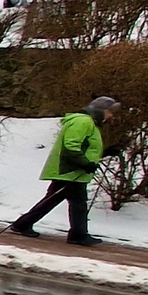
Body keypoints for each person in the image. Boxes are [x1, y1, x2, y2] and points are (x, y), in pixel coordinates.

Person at [9, 95, 118, 245]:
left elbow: (85, 148)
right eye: (109, 111)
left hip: (71, 170)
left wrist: (105, 153)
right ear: (100, 110)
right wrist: (85, 164)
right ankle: (77, 235)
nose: (111, 115)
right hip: (69, 170)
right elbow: (70, 147)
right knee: (77, 202)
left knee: (55, 199)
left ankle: (23, 224)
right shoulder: (83, 121)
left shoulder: (88, 122)